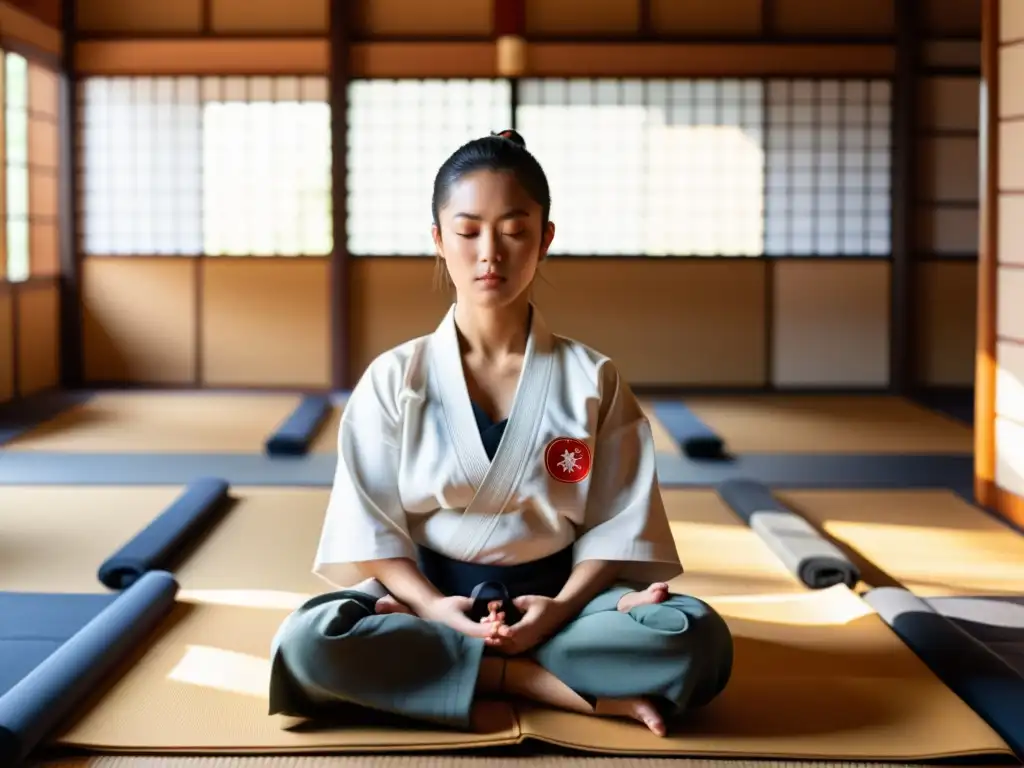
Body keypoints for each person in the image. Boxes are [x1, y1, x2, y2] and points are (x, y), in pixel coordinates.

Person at [268, 129, 734, 737]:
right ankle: (534, 681)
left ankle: (458, 672)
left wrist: (562, 608)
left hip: (562, 604)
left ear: (545, 239)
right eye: (467, 232)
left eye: (514, 231)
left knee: (695, 638)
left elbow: (619, 524)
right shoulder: (393, 379)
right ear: (438, 240)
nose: (490, 253)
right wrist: (434, 607)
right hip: (426, 602)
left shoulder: (591, 379)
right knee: (309, 642)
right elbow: (368, 525)